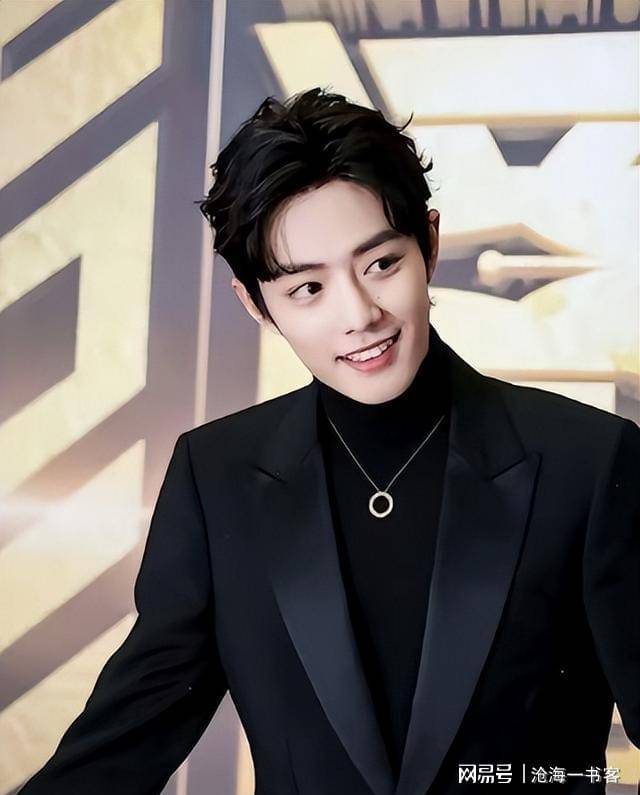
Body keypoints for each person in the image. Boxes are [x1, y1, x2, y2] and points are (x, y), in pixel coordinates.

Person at [19, 87, 639, 795]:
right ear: (255, 303)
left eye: (381, 264)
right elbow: (115, 752)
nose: (359, 314)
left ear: (429, 243)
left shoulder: (590, 465)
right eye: (307, 289)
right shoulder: (217, 480)